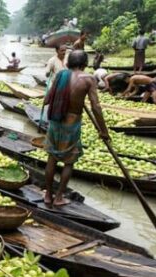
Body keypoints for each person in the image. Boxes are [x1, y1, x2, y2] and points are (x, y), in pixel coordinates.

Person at [43, 50, 110, 206]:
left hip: (55, 120)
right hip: (71, 122)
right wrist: (104, 130)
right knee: (69, 160)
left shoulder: (61, 75)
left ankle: (47, 195)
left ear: (69, 63)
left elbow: (47, 99)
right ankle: (58, 197)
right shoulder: (88, 79)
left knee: (52, 157)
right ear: (85, 64)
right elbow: (96, 107)